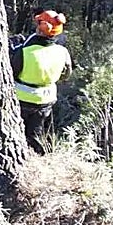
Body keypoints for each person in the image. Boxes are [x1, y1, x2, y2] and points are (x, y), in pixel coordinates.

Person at [11, 10, 72, 155]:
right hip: (47, 100)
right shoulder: (62, 52)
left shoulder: (24, 52)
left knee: (16, 131)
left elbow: (11, 74)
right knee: (35, 133)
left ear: (40, 27)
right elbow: (66, 75)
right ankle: (39, 155)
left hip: (21, 99)